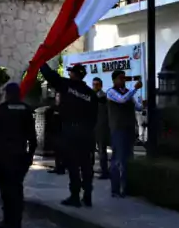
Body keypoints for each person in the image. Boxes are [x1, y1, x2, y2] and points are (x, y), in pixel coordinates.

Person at [39, 63, 98, 208]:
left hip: (71, 131)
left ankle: (75, 196)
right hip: (86, 133)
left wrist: (41, 62)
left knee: (73, 165)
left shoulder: (67, 86)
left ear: (73, 74)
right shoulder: (91, 94)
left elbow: (51, 76)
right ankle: (88, 196)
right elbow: (94, 116)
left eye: (71, 72)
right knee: (86, 166)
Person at [0, 82, 37, 228]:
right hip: (21, 153)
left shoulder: (1, 110)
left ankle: (8, 219)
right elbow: (33, 136)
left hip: (5, 154)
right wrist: (30, 155)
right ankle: (17, 220)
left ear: (7, 94)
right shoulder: (26, 109)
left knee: (6, 188)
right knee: (17, 188)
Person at [106, 70, 143, 198]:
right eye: (121, 78)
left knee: (128, 158)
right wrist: (135, 89)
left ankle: (126, 188)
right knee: (117, 159)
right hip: (118, 129)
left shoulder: (128, 92)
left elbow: (138, 107)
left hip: (129, 129)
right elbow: (121, 100)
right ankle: (115, 189)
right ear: (114, 80)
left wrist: (143, 103)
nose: (123, 81)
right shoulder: (111, 92)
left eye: (124, 78)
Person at [92, 77, 111, 180]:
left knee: (101, 150)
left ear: (101, 85)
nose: (95, 86)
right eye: (94, 84)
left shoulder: (103, 97)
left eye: (97, 84)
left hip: (101, 126)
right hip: (92, 126)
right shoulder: (92, 96)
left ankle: (105, 171)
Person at [46, 92, 65, 175]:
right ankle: (58, 167)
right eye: (57, 96)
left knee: (61, 150)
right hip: (54, 131)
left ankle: (61, 167)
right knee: (56, 151)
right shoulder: (53, 107)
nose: (58, 98)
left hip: (62, 132)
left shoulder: (64, 108)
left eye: (59, 96)